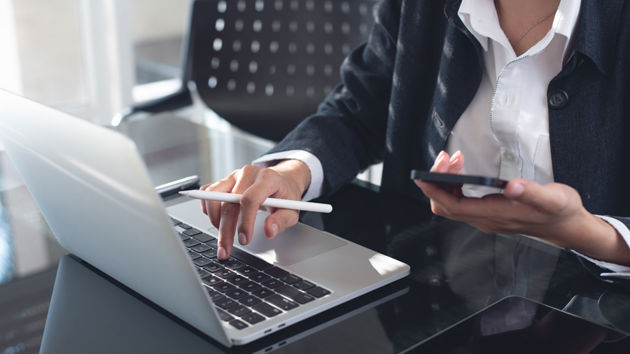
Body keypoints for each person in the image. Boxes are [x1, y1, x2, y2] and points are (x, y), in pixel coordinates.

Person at [200, 0, 630, 271]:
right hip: (433, 307)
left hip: (593, 321)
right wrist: (291, 173)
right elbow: (362, 106)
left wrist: (586, 232)